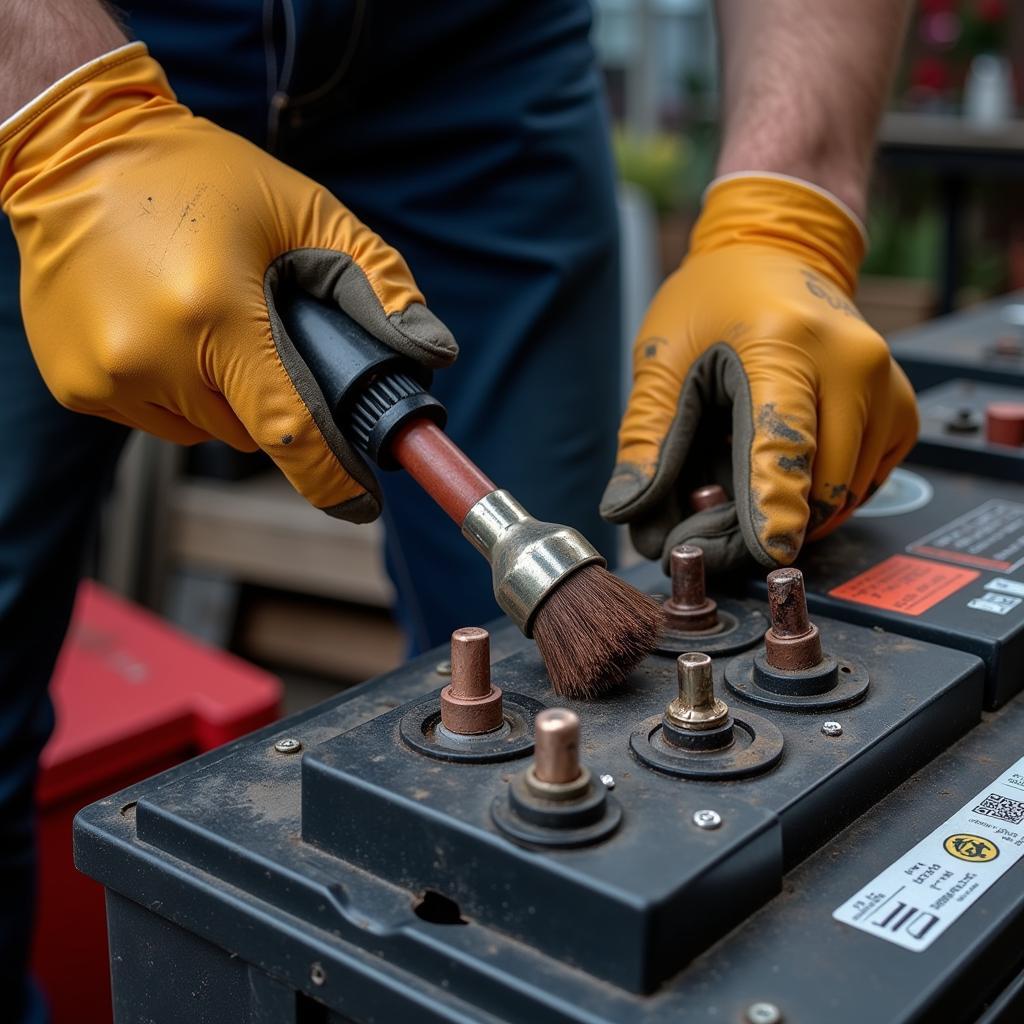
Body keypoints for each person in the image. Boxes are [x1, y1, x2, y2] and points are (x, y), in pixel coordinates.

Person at [1, 1, 917, 1018]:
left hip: (480, 51)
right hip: (71, 48)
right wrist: (67, 122)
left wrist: (785, 206)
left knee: (556, 733)